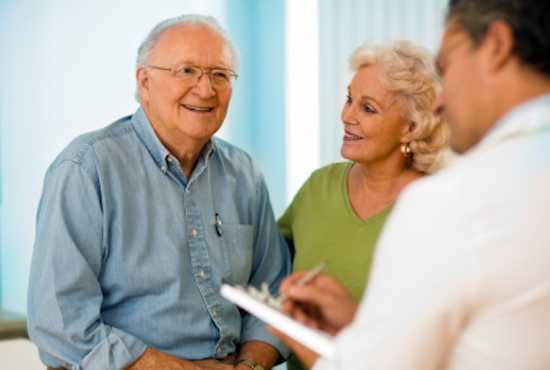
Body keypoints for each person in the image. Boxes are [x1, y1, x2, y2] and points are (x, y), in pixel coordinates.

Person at [273, 0, 550, 369]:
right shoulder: (320, 187)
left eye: (447, 66)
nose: (440, 105)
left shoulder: (449, 203)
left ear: (497, 43)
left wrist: (288, 328)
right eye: (349, 100)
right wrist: (360, 325)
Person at [27, 14, 291, 370]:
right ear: (145, 81)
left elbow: (272, 294)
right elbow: (62, 327)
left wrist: (249, 367)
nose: (205, 89)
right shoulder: (86, 169)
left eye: (220, 74)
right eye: (186, 71)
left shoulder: (245, 174)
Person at [277, 40, 448, 370]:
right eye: (349, 99)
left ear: (411, 127)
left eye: (367, 109)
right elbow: (266, 266)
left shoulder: (437, 207)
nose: (347, 116)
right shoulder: (318, 187)